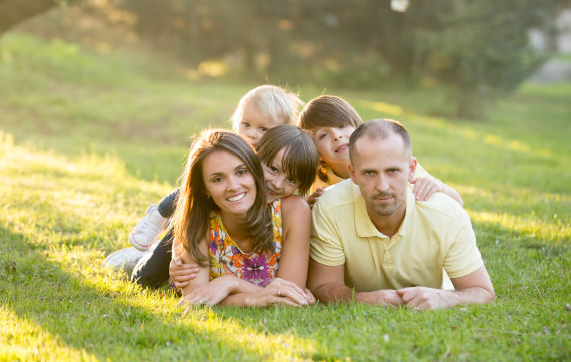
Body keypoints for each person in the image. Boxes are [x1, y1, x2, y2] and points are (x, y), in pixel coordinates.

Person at [103, 85, 303, 275]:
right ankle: (154, 227)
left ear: (283, 132)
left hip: (232, 235)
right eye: (246, 124)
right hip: (202, 211)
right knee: (152, 269)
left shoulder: (283, 158)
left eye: (263, 129)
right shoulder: (232, 151)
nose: (252, 133)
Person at [307, 119, 495, 309]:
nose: (382, 186)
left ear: (411, 169)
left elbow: (482, 291)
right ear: (353, 174)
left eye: (393, 171)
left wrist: (443, 298)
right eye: (370, 173)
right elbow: (322, 285)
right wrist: (363, 299)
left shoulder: (446, 214)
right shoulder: (330, 207)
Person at [135, 124, 320, 289]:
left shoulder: (291, 210)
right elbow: (197, 297)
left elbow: (289, 293)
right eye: (273, 169)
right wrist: (261, 295)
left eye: (291, 180)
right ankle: (137, 256)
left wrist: (228, 285)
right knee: (143, 277)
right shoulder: (201, 214)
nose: (277, 184)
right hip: (184, 236)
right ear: (257, 159)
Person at [297, 95, 464, 207]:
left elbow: (457, 202)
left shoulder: (391, 162)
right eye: (323, 135)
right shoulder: (319, 186)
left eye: (342, 126)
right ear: (315, 151)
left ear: (358, 127)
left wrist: (438, 187)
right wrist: (311, 210)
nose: (337, 136)